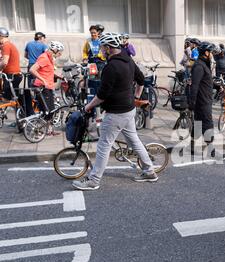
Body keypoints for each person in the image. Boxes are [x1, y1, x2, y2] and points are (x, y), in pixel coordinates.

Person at [72, 32, 158, 191]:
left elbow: (101, 95)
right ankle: (149, 171)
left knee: (104, 145)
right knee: (134, 140)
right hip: (129, 109)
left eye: (103, 48)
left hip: (116, 113)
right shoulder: (128, 60)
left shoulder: (111, 67)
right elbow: (141, 80)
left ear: (109, 48)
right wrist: (135, 97)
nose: (101, 51)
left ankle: (94, 180)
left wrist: (87, 107)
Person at [188, 42, 221, 159]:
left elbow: (204, 82)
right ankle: (212, 150)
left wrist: (216, 86)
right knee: (207, 124)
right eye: (211, 52)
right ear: (206, 53)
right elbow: (195, 85)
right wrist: (192, 102)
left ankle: (191, 147)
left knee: (198, 124)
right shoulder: (199, 66)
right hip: (202, 102)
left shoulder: (203, 65)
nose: (212, 55)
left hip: (204, 100)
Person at [30, 41, 65, 135]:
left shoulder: (50, 58)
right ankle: (42, 130)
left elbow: (47, 71)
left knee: (51, 109)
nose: (61, 54)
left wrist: (58, 76)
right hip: (42, 87)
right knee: (47, 110)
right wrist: (43, 80)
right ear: (55, 50)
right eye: (60, 51)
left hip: (48, 86)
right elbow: (32, 69)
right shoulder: (44, 57)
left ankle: (49, 130)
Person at [0, 27, 22, 102]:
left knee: (5, 98)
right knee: (14, 98)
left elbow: (4, 62)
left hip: (10, 76)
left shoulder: (5, 46)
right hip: (14, 75)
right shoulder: (9, 45)